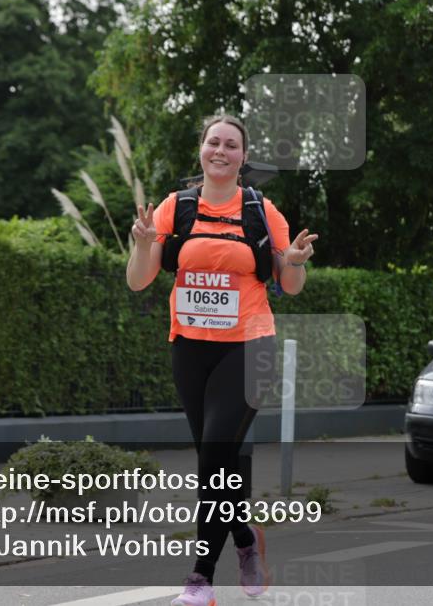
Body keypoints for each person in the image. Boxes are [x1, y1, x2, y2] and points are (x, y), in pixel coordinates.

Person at [127, 114, 318, 606]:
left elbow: (289, 286)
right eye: (214, 142)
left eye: (231, 145)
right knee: (218, 461)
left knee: (215, 454)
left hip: (249, 347)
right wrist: (144, 243)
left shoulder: (260, 210)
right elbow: (138, 280)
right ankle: (246, 540)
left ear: (242, 157)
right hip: (189, 348)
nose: (221, 150)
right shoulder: (176, 208)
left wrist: (293, 260)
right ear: (201, 150)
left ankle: (200, 580)